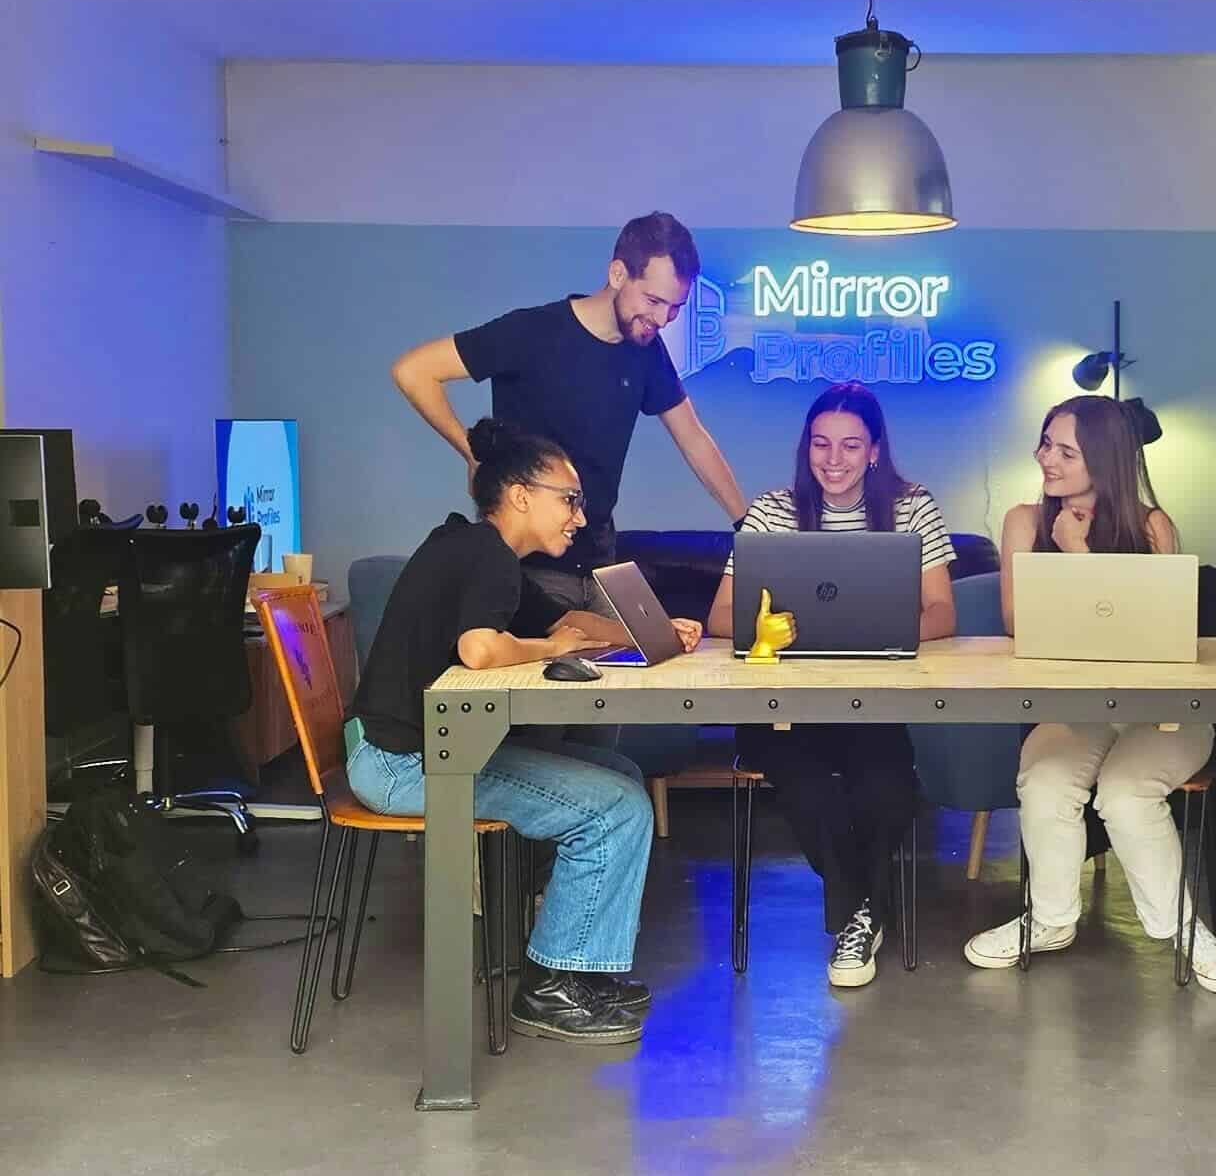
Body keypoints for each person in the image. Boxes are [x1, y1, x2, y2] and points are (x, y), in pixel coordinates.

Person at [345, 417, 703, 1043]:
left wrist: (659, 633)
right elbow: (481, 650)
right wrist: (544, 647)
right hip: (405, 764)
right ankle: (550, 990)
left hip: (406, 751)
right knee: (615, 807)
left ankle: (580, 970)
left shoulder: (484, 552)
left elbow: (571, 622)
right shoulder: (483, 554)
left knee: (618, 776)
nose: (579, 517)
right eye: (569, 500)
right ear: (518, 494)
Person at [962, 395, 1216, 993]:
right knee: (1046, 776)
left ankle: (1182, 933)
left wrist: (1080, 555)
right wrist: (1060, 550)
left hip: (1164, 711)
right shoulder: (1024, 523)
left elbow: (1157, 632)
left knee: (1127, 791)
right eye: (1044, 444)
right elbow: (1017, 624)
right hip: (1082, 707)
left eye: (1065, 451)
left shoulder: (1152, 526)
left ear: (1104, 461)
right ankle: (1051, 920)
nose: (1046, 459)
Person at [707, 383, 956, 988]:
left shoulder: (911, 506)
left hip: (874, 701)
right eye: (821, 444)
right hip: (783, 705)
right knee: (810, 786)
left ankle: (856, 910)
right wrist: (769, 627)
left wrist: (876, 630)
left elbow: (943, 614)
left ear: (874, 449)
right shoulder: (771, 512)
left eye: (850, 445)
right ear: (806, 447)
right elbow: (719, 619)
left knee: (888, 790)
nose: (834, 459)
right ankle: (860, 913)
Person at [390, 211, 747, 625]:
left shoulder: (646, 351)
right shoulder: (531, 331)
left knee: (647, 665)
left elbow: (694, 439)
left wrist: (748, 523)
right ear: (617, 274)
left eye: (676, 307)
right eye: (653, 301)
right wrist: (471, 452)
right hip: (528, 568)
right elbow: (414, 371)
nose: (663, 319)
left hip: (601, 566)